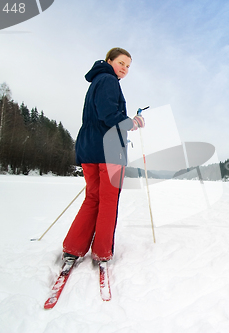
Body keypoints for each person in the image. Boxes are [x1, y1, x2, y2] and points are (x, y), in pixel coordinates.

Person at [62, 47, 145, 264]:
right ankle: (101, 252)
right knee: (108, 201)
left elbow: (101, 113)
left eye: (128, 66)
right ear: (109, 61)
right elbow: (108, 115)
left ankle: (73, 246)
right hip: (108, 151)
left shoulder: (97, 81)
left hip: (89, 148)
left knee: (93, 198)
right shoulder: (109, 81)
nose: (125, 69)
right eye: (121, 63)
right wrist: (132, 123)